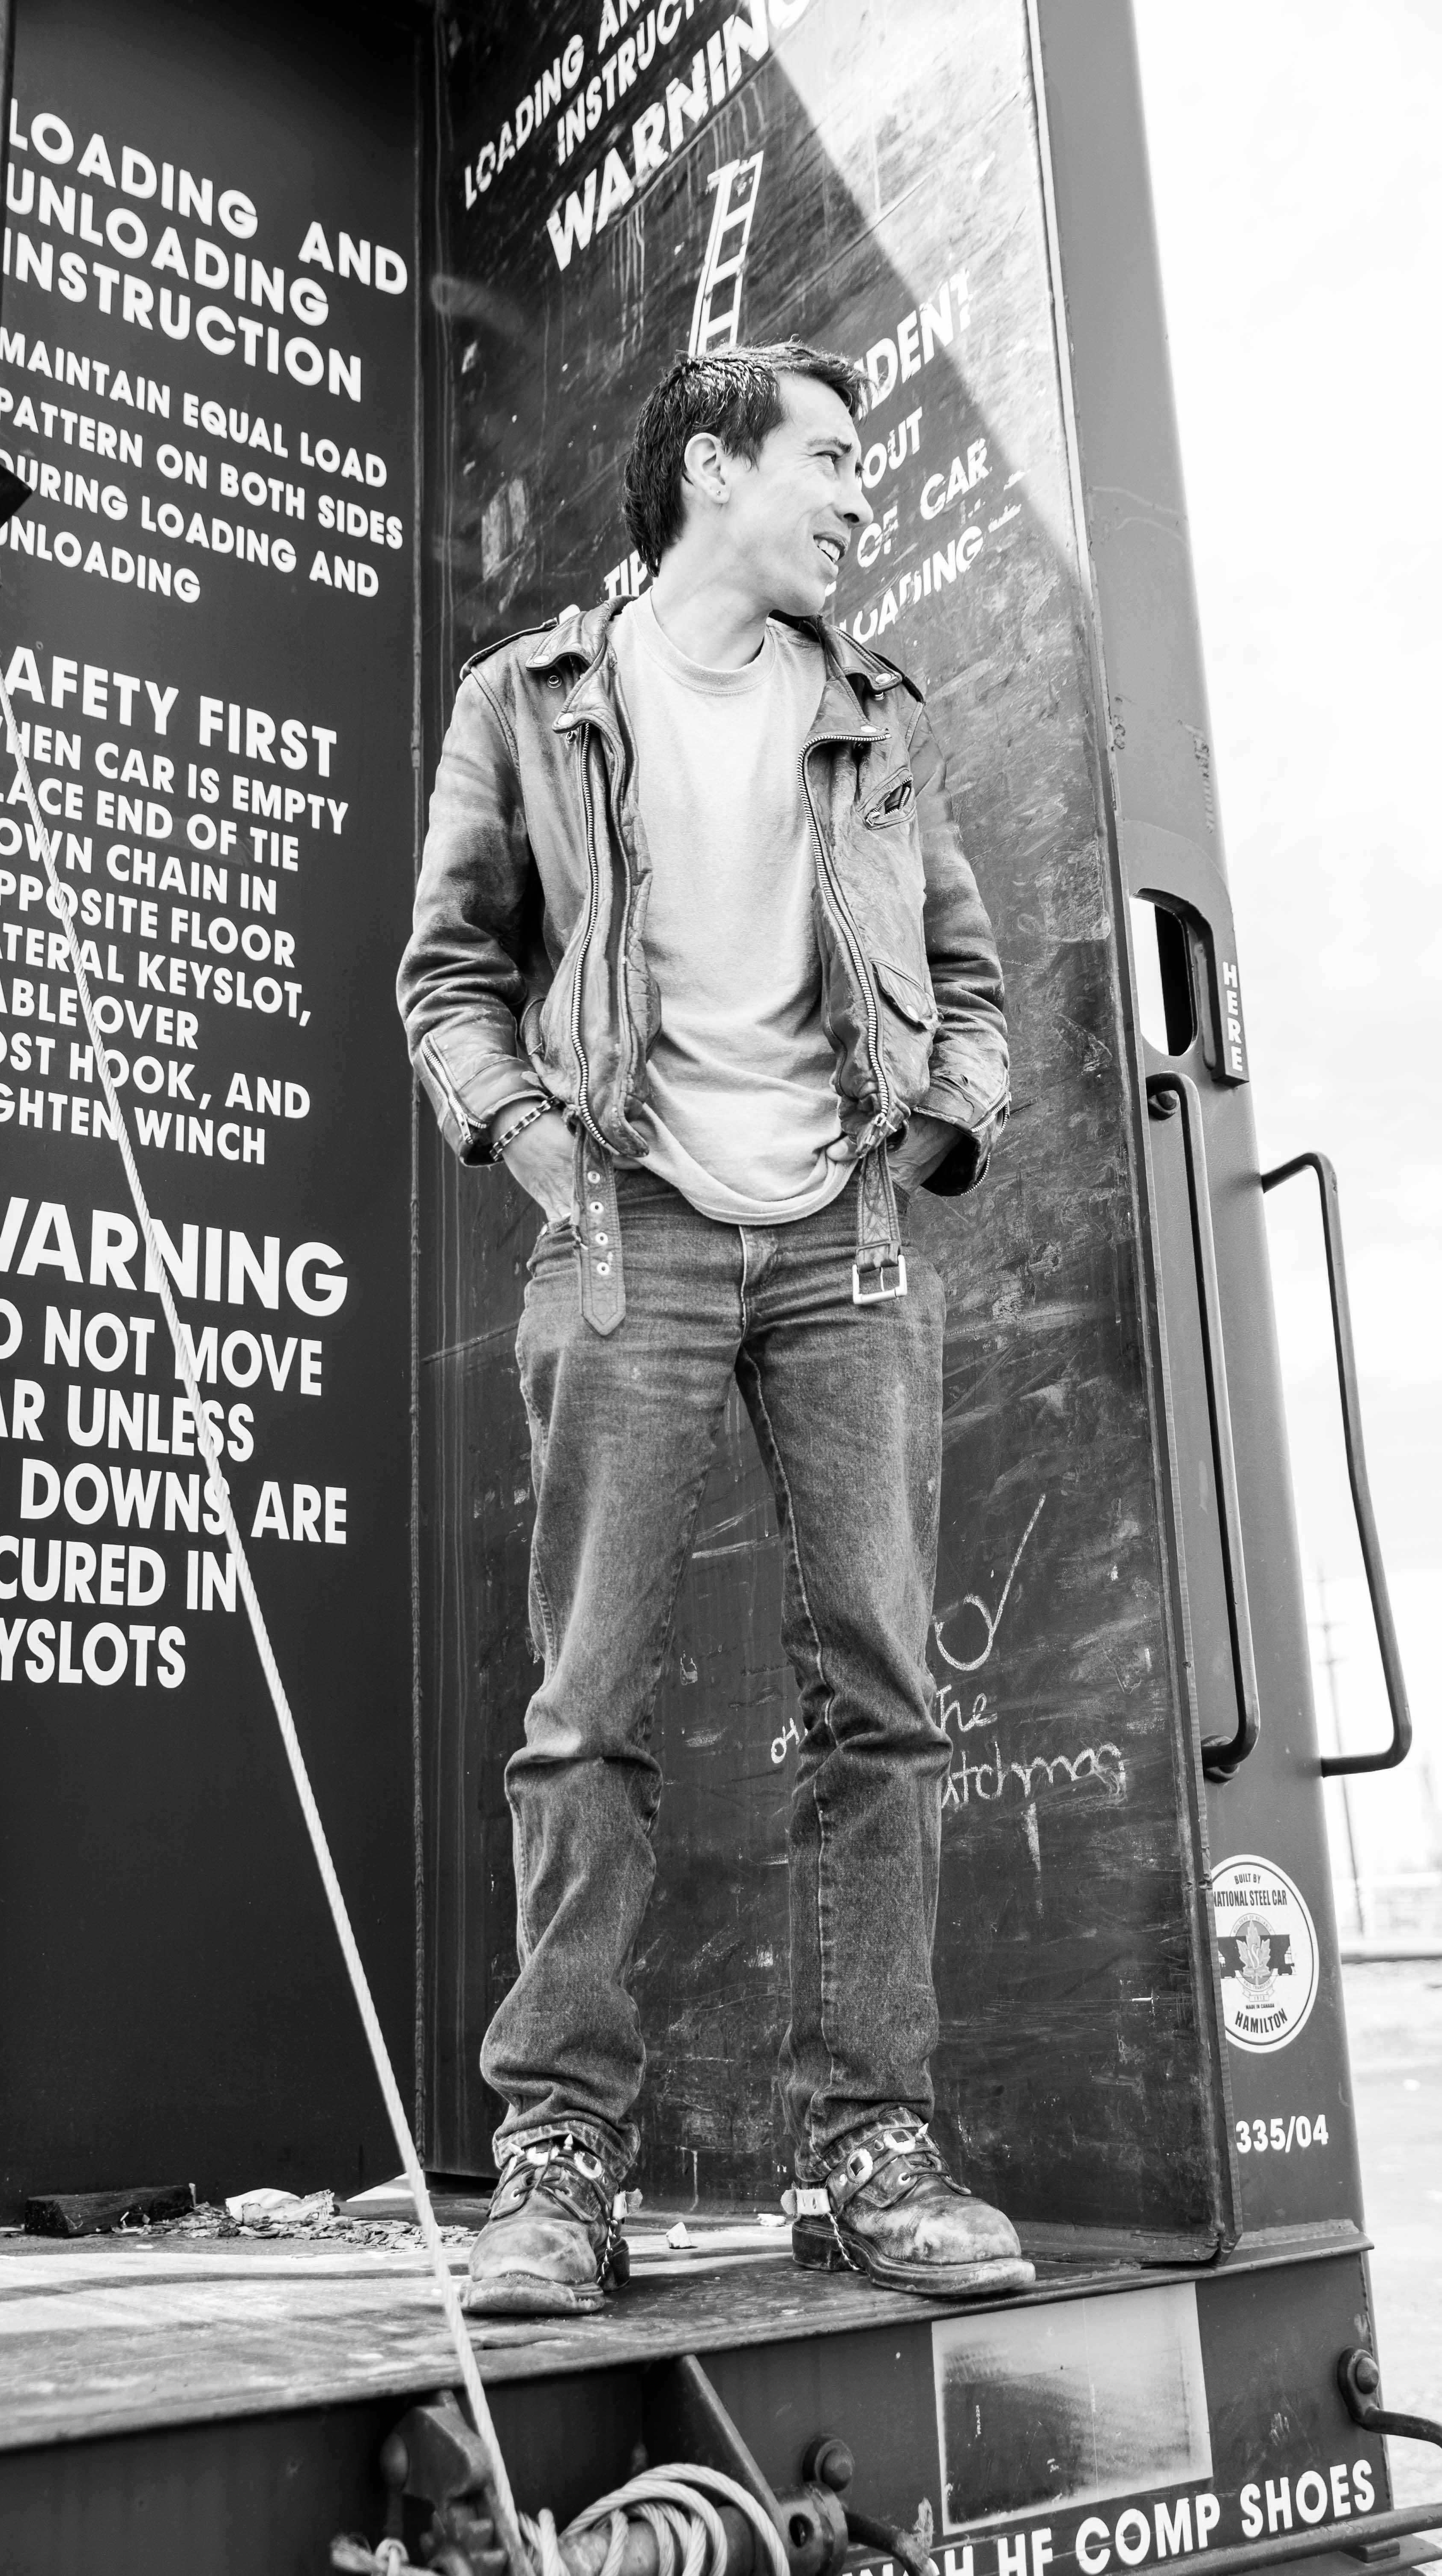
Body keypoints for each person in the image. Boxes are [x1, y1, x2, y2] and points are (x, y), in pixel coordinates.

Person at [397, 343, 1027, 2316]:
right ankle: (557, 2161)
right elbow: (447, 973)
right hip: (630, 1233)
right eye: (828, 458)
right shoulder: (529, 701)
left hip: (845, 1243)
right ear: (709, 467)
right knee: (586, 1702)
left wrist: (933, 1125)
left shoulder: (875, 711)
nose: (858, 494)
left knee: (881, 1699)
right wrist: (535, 1150)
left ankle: (867, 2147)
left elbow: (962, 973)